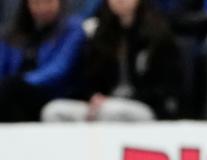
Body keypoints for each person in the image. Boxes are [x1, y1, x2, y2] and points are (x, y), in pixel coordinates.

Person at [42, 0, 183, 121]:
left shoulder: (157, 34)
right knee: (54, 111)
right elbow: (90, 79)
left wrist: (124, 99)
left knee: (111, 111)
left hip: (144, 107)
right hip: (103, 105)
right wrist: (93, 96)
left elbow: (164, 87)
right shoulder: (101, 33)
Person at [0, 0, 85, 121]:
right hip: (12, 90)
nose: (42, 8)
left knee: (11, 90)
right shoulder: (13, 32)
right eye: (36, 3)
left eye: (48, 2)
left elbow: (60, 68)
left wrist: (23, 80)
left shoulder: (72, 28)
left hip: (51, 91)